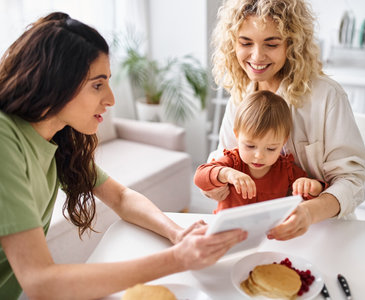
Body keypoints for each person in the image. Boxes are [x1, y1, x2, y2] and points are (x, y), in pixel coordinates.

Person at [0, 12, 246, 299]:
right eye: (97, 84)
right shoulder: (5, 139)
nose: (111, 99)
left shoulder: (56, 137)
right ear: (56, 81)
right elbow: (40, 281)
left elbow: (120, 197)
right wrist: (178, 259)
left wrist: (177, 233)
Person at [208, 0, 365, 240]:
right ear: (233, 44)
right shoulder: (240, 97)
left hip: (323, 230)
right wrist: (218, 183)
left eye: (271, 44)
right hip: (259, 232)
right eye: (245, 42)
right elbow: (224, 162)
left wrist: (309, 212)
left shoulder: (326, 97)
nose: (257, 56)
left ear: (292, 44)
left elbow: (352, 182)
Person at [195, 90, 326, 213]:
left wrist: (312, 186)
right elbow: (200, 177)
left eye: (271, 148)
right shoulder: (233, 162)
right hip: (228, 231)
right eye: (250, 146)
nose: (259, 156)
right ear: (237, 135)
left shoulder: (285, 170)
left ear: (283, 141)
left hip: (269, 232)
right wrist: (227, 174)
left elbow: (313, 193)